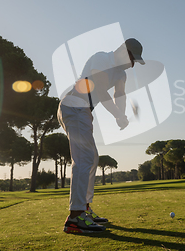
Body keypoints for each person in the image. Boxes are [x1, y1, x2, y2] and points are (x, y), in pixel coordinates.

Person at [58, 38, 145, 234]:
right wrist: (117, 114)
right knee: (83, 159)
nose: (133, 65)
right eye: (133, 60)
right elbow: (99, 89)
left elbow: (118, 95)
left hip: (83, 110)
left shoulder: (121, 74)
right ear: (124, 51)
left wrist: (121, 116)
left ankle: (85, 209)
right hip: (74, 105)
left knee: (92, 158)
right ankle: (75, 217)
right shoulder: (101, 58)